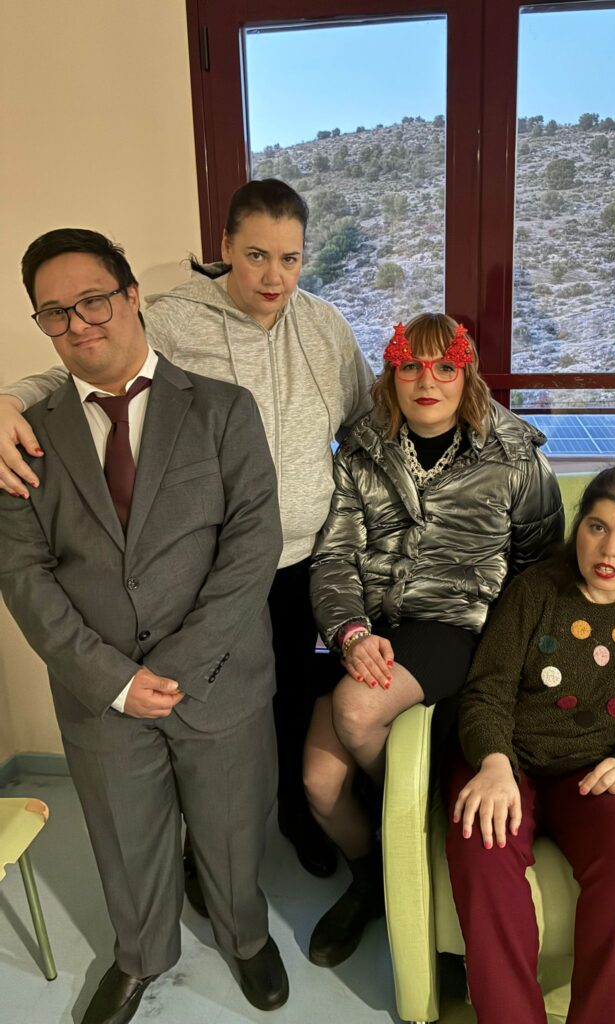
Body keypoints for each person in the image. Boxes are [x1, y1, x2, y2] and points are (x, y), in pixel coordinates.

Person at [0, 178, 374, 882]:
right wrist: (8, 400)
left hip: (304, 561)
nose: (273, 276)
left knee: (291, 704)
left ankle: (293, 820)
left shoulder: (326, 327)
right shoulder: (173, 319)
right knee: (197, 711)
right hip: (206, 574)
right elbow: (85, 365)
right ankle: (204, 855)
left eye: (290, 258)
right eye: (256, 255)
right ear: (225, 246)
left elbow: (364, 425)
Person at [0, 228, 289, 1023]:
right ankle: (141, 955)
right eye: (55, 312)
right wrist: (116, 681)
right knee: (125, 839)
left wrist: (180, 663)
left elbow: (253, 544)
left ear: (131, 297)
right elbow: (23, 574)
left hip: (219, 677)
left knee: (231, 828)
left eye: (93, 300)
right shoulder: (24, 437)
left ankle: (244, 935)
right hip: (99, 690)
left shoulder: (223, 408)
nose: (78, 323)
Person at [305, 313, 564, 968]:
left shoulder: (514, 457)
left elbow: (539, 569)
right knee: (319, 782)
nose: (428, 381)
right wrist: (350, 631)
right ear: (391, 374)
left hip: (458, 624)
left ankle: (412, 834)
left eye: (445, 367)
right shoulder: (360, 453)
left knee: (356, 709)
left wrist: (509, 664)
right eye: (411, 366)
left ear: (465, 374)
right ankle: (374, 878)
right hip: (372, 626)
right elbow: (334, 558)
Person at [446, 466, 615, 1024]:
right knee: (481, 847)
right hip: (509, 759)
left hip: (598, 772)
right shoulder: (535, 592)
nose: (610, 550)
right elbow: (487, 690)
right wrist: (493, 763)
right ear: (578, 527)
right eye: (597, 527)